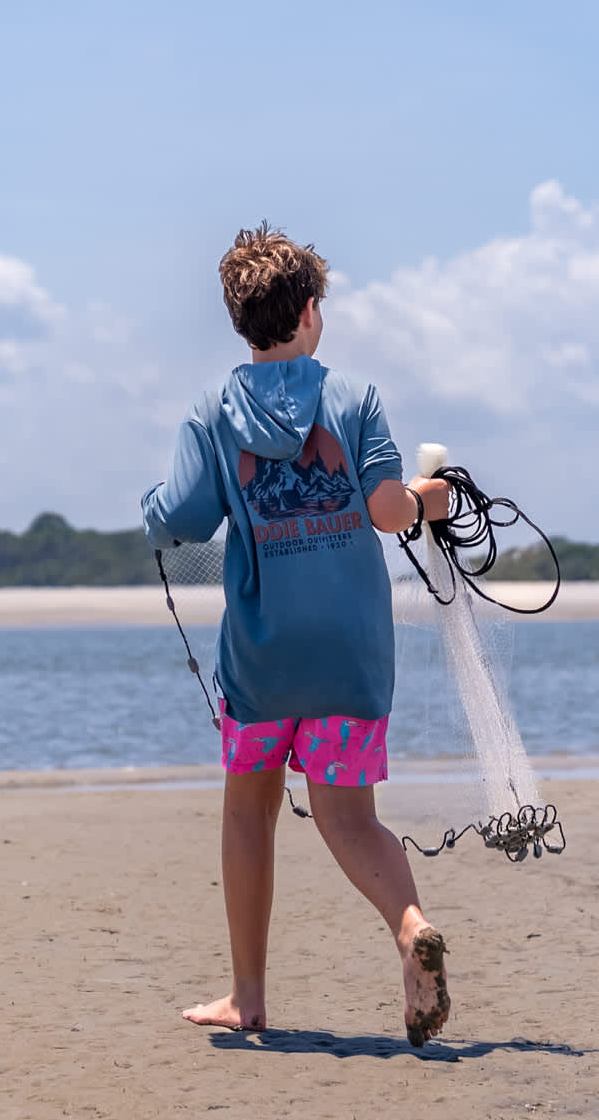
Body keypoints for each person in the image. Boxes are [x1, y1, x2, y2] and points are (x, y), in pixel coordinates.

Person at [142, 223, 455, 1047]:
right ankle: (409, 925)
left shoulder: (213, 410)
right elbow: (389, 512)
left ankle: (247, 996)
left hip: (260, 661)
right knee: (349, 817)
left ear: (243, 323)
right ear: (312, 312)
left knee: (249, 809)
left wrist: (153, 505)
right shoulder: (354, 398)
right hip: (350, 656)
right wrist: (433, 498)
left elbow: (179, 518)